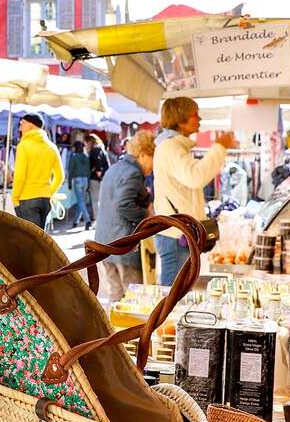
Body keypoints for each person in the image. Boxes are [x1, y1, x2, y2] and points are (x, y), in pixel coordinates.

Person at [154, 97, 235, 286]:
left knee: (179, 290)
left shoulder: (173, 147)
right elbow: (195, 176)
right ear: (181, 119)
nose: (199, 119)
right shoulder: (171, 147)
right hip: (175, 233)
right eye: (195, 115)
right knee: (173, 293)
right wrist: (219, 147)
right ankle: (167, 317)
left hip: (178, 231)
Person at [94, 131, 156, 303]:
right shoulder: (133, 173)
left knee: (115, 295)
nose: (153, 165)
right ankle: (131, 329)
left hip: (105, 242)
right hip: (123, 244)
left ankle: (112, 329)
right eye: (153, 158)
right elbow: (123, 205)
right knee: (134, 298)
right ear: (143, 154)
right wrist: (146, 214)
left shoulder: (114, 168)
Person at [12, 113, 64, 230]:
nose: (20, 128)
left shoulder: (24, 145)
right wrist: (49, 192)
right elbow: (60, 176)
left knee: (30, 241)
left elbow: (20, 176)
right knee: (40, 240)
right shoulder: (52, 147)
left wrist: (15, 198)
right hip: (45, 199)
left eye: (22, 124)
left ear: (30, 125)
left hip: (27, 198)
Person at [85, 134, 109, 222]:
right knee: (101, 200)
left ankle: (98, 221)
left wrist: (98, 170)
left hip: (95, 179)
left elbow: (97, 161)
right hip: (103, 178)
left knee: (95, 201)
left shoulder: (94, 150)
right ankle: (102, 220)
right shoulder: (102, 149)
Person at [68, 141, 91, 229]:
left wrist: (69, 183)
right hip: (85, 180)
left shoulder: (74, 157)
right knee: (81, 201)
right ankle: (75, 221)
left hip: (77, 180)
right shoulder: (86, 156)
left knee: (80, 201)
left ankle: (87, 220)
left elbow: (71, 170)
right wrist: (88, 184)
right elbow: (88, 171)